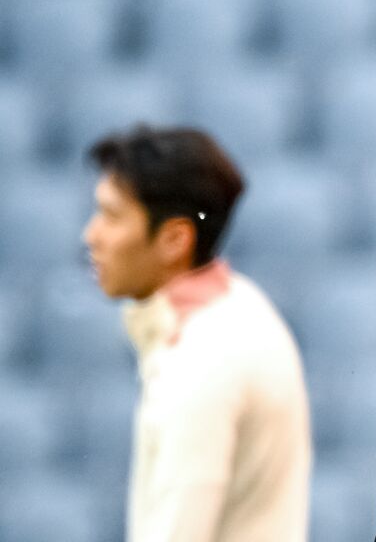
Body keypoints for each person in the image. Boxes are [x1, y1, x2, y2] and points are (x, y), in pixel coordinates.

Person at [81, 125, 311, 542]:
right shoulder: (239, 309)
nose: (91, 235)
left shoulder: (202, 359)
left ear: (174, 239)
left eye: (112, 216)